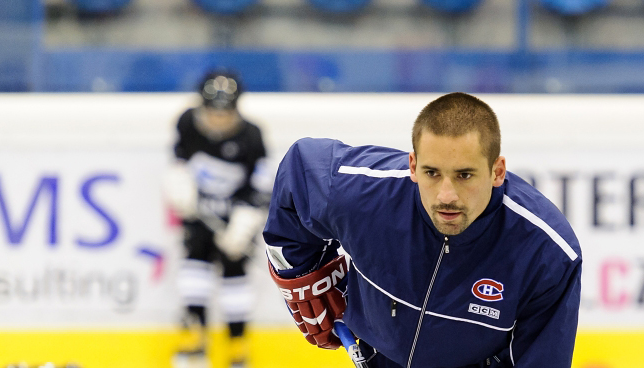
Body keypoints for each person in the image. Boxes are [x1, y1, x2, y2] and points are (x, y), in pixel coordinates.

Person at [264, 92, 582, 367]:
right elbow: (299, 171)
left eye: (464, 175)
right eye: (432, 173)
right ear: (412, 166)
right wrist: (305, 273)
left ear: (497, 171)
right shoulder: (364, 192)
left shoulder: (547, 254)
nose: (446, 196)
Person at [164, 70, 272, 368]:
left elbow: (260, 186)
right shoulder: (187, 123)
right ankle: (194, 335)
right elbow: (178, 159)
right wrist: (178, 182)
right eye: (213, 112)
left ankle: (237, 344)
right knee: (193, 269)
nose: (219, 120)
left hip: (235, 219)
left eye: (226, 113)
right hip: (198, 214)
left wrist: (245, 222)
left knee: (235, 277)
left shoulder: (252, 136)